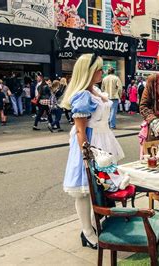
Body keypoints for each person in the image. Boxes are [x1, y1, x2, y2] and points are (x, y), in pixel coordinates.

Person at [61, 53, 125, 250]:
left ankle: (93, 227)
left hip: (104, 141)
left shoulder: (95, 90)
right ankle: (87, 232)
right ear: (88, 72)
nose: (102, 71)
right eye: (98, 69)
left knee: (97, 189)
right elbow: (80, 129)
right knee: (84, 191)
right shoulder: (83, 95)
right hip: (91, 144)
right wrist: (86, 154)